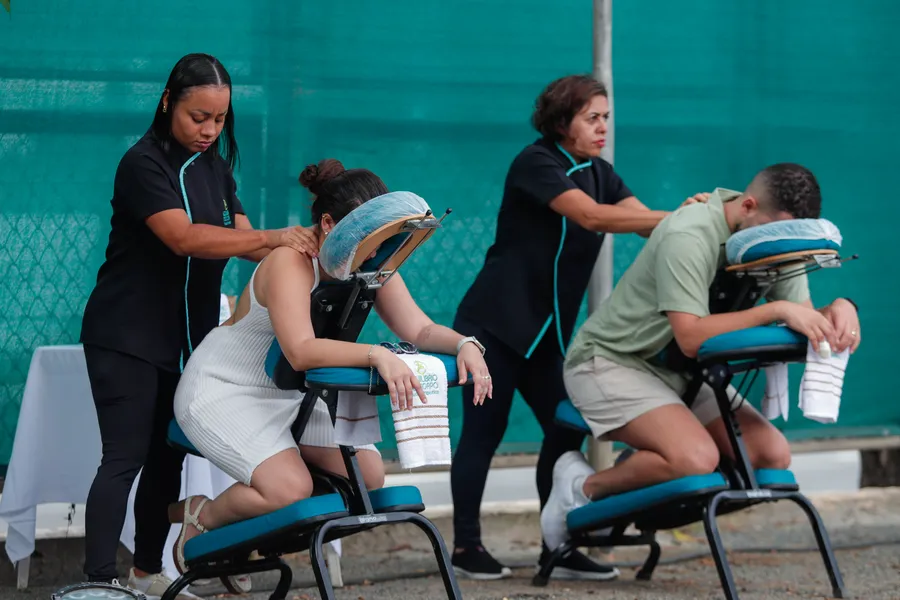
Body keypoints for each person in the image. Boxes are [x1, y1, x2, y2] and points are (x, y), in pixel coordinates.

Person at [168, 159, 494, 579]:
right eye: (370, 238)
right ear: (327, 223)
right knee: (291, 489)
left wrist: (466, 345)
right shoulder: (291, 261)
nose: (376, 250)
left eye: (385, 238)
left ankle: (245, 534)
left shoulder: (373, 263)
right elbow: (301, 351)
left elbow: (421, 328)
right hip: (224, 389)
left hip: (291, 394)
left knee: (369, 476)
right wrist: (376, 354)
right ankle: (203, 517)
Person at [449, 73, 709, 581]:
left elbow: (639, 217)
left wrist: (690, 220)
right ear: (561, 121)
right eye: (592, 118)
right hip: (495, 329)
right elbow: (590, 217)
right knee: (485, 432)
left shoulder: (600, 171)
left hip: (548, 335)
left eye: (606, 118)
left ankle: (560, 546)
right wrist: (679, 216)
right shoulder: (537, 162)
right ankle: (465, 547)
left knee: (565, 433)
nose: (602, 127)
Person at [78, 53, 319, 597]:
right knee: (124, 458)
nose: (209, 130)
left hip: (187, 342)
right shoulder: (142, 164)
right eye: (198, 117)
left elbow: (248, 242)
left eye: (219, 119)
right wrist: (273, 238)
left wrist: (317, 246)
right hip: (125, 336)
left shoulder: (216, 168)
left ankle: (145, 572)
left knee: (168, 458)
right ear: (168, 103)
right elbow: (185, 239)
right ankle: (98, 584)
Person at [540, 163, 862, 550]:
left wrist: (840, 308)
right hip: (612, 361)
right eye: (773, 231)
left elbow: (803, 314)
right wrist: (774, 311)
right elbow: (691, 336)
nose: (780, 249)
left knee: (770, 456)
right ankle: (580, 483)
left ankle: (645, 467)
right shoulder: (689, 232)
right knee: (695, 459)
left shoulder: (783, 242)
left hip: (684, 375)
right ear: (746, 206)